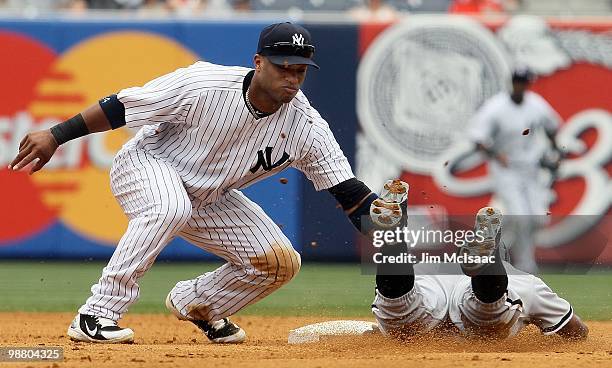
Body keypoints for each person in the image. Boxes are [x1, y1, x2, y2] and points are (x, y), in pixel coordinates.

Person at [10, 22, 381, 344]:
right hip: (147, 165)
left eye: (300, 70)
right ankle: (96, 314)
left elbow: (347, 192)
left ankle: (197, 303)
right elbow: (121, 105)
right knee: (169, 207)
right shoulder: (204, 84)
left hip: (209, 196)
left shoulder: (307, 127)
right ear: (258, 62)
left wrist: (387, 230)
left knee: (280, 262)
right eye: (284, 67)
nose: (292, 78)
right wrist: (57, 135)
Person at [371, 205, 589, 341]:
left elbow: (384, 317)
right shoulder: (524, 280)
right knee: (487, 310)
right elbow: (575, 330)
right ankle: (488, 259)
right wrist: (537, 321)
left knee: (399, 303)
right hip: (483, 301)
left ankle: (393, 235)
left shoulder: (432, 265)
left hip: (430, 279)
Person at [466, 68, 563, 274]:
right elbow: (477, 140)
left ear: (528, 83)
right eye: (517, 81)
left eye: (523, 81)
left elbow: (552, 126)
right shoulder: (496, 107)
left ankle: (490, 244)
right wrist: (495, 153)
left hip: (531, 168)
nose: (520, 85)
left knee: (538, 218)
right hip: (506, 168)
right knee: (521, 215)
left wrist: (555, 152)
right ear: (511, 82)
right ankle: (526, 266)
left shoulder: (535, 104)